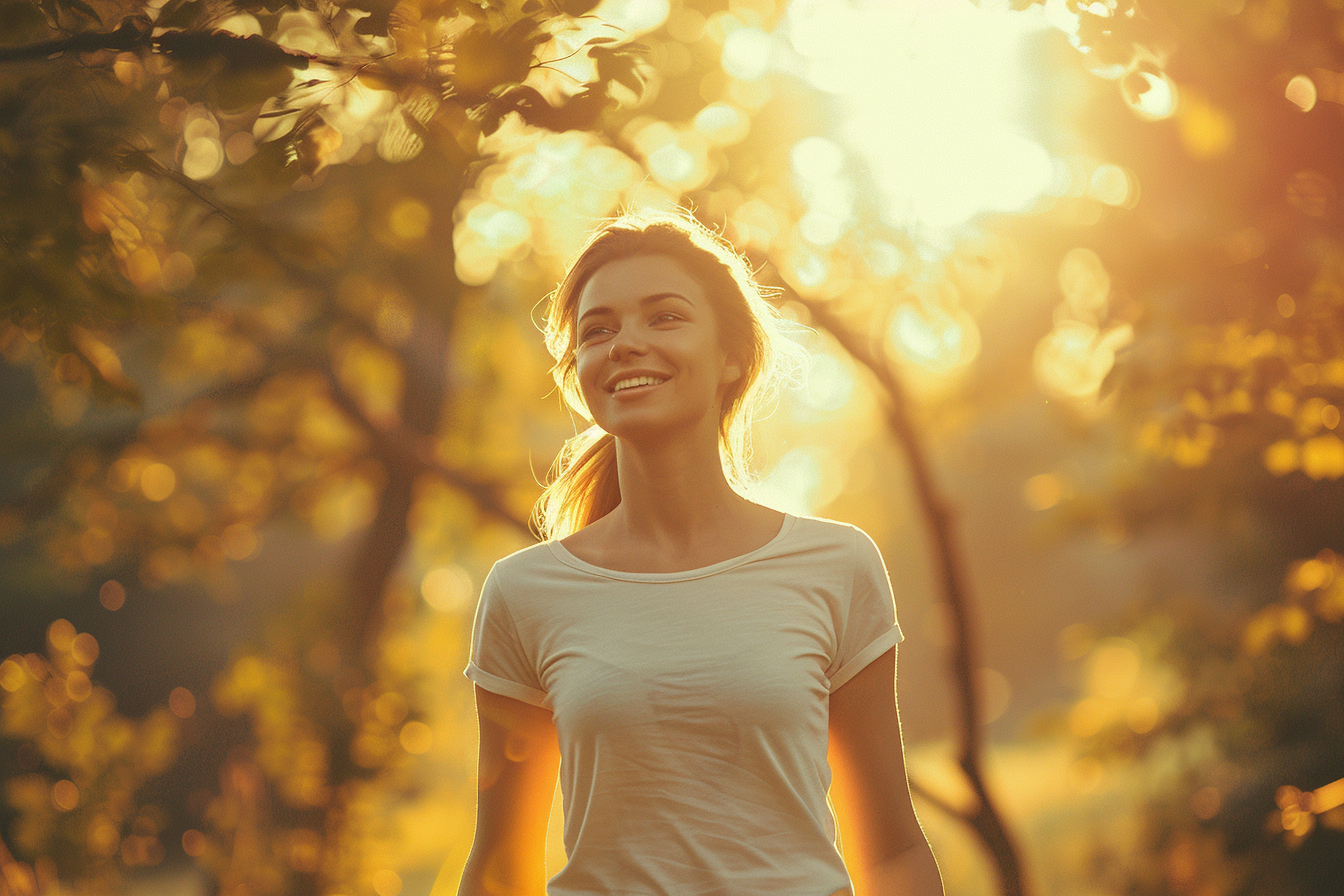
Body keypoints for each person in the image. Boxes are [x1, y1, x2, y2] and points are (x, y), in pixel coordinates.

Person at [457, 210, 943, 896]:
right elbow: (500, 867)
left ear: (731, 355)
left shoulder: (837, 567)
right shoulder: (525, 592)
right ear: (580, 371)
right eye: (599, 330)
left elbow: (891, 852)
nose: (625, 343)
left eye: (664, 317)